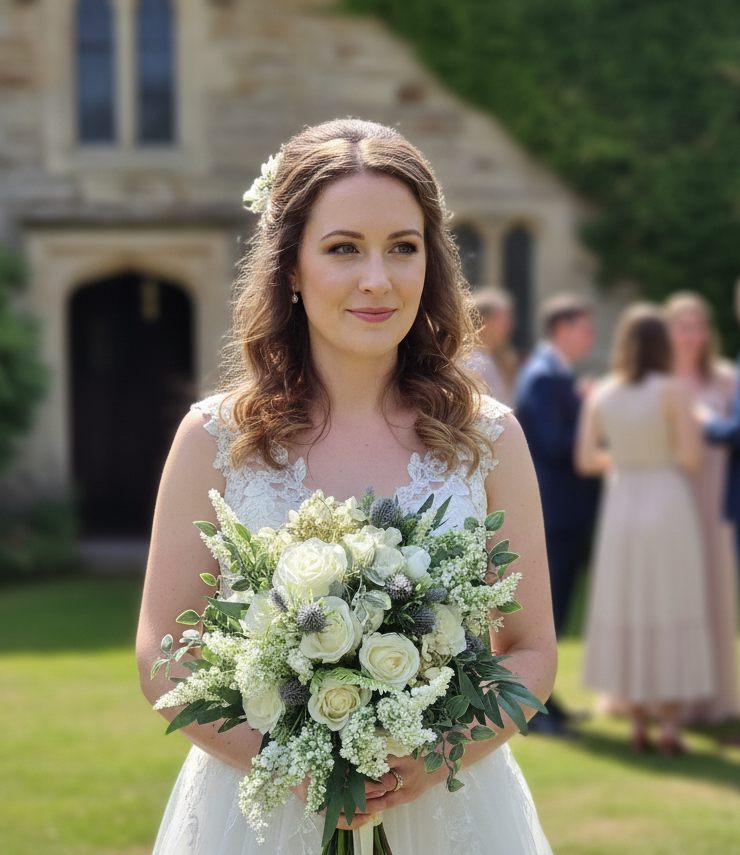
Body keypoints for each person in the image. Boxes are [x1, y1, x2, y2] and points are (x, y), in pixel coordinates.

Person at [136, 119, 556, 855]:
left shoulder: (490, 440)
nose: (377, 279)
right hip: (259, 811)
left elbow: (531, 650)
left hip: (451, 810)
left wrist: (432, 758)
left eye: (403, 246)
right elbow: (162, 652)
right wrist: (291, 761)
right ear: (290, 267)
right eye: (342, 249)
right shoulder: (214, 442)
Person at [577, 304, 715, 755]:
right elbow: (692, 459)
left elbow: (585, 459)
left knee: (628, 604)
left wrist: (623, 460)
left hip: (622, 505)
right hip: (667, 501)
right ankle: (671, 727)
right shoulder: (672, 390)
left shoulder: (603, 392)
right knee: (672, 603)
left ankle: (637, 719)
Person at [515, 295, 600, 734]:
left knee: (558, 616)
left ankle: (549, 702)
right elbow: (554, 443)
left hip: (565, 513)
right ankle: (535, 712)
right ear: (563, 330)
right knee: (543, 620)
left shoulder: (555, 374)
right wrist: (592, 416)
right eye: (586, 329)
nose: (593, 337)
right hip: (554, 513)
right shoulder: (545, 376)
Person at [665, 292, 740, 724]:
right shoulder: (656, 381)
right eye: (681, 326)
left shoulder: (727, 379)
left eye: (696, 326)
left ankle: (715, 698)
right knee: (674, 594)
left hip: (713, 494)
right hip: (673, 496)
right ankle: (672, 697)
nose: (689, 335)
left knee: (713, 588)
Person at [467, 287, 517, 405]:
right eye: (504, 319)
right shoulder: (473, 362)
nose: (511, 325)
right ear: (484, 320)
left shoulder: (497, 357)